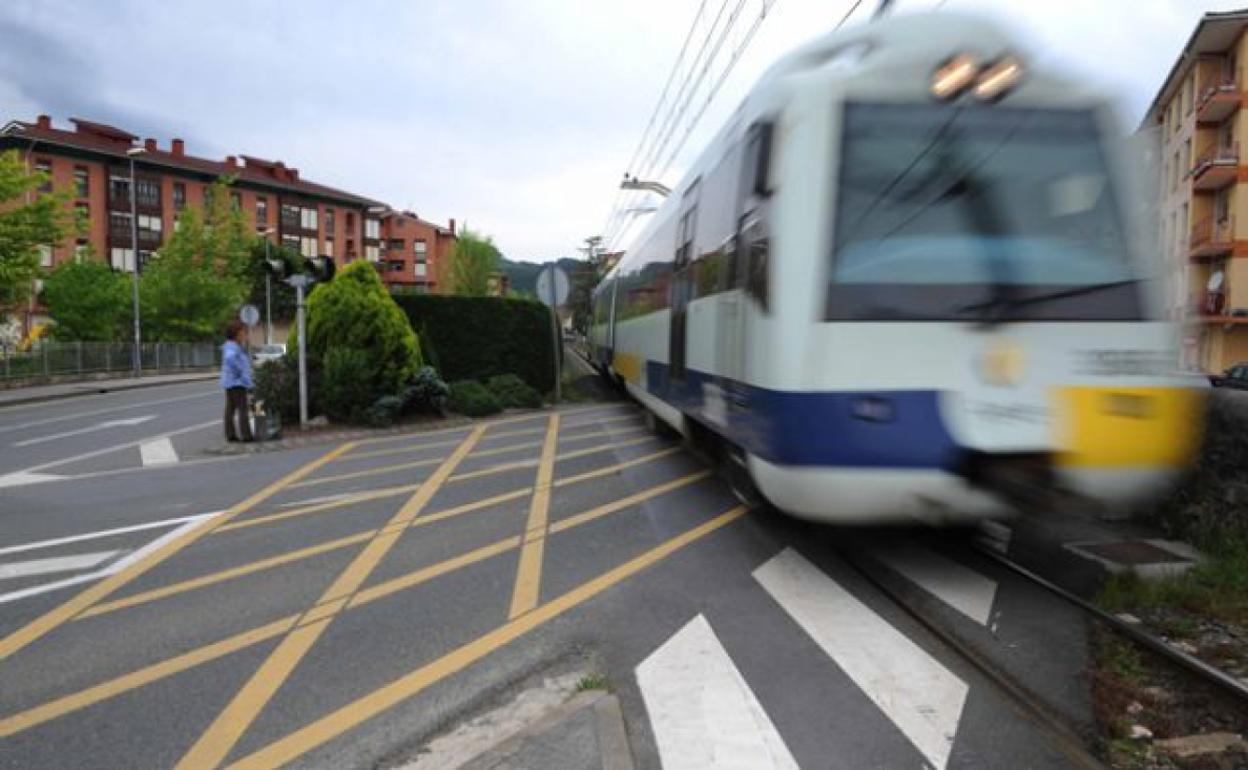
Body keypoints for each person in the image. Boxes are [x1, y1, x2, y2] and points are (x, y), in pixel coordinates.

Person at [221, 320, 254, 442]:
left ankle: (230, 434)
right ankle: (246, 435)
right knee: (242, 409)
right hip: (237, 383)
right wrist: (240, 373)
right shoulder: (233, 347)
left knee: (230, 409)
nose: (244, 335)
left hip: (231, 382)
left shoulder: (232, 346)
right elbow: (231, 359)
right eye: (243, 333)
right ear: (236, 334)